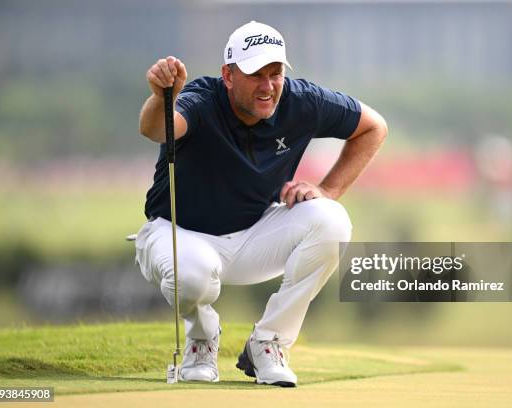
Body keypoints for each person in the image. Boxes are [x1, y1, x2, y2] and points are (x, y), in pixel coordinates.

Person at [135, 21, 387, 387]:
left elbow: (374, 127)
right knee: (191, 276)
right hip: (177, 234)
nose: (268, 86)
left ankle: (267, 343)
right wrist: (162, 96)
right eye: (256, 75)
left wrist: (329, 190)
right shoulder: (203, 100)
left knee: (333, 222)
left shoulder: (302, 102)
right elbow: (156, 129)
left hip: (254, 234)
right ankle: (202, 339)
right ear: (229, 75)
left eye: (276, 73)